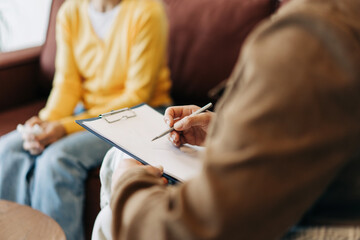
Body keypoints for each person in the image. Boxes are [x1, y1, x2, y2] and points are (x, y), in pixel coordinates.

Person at [102, 0, 360, 239]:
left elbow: (203, 227)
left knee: (114, 183)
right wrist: (229, 130)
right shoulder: (339, 22)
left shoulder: (309, 39)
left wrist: (130, 187)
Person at [0, 0, 172, 239]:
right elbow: (67, 85)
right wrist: (45, 122)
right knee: (7, 149)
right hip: (89, 111)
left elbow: (137, 95)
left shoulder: (147, 11)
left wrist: (65, 127)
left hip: (138, 114)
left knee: (56, 160)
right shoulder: (70, 12)